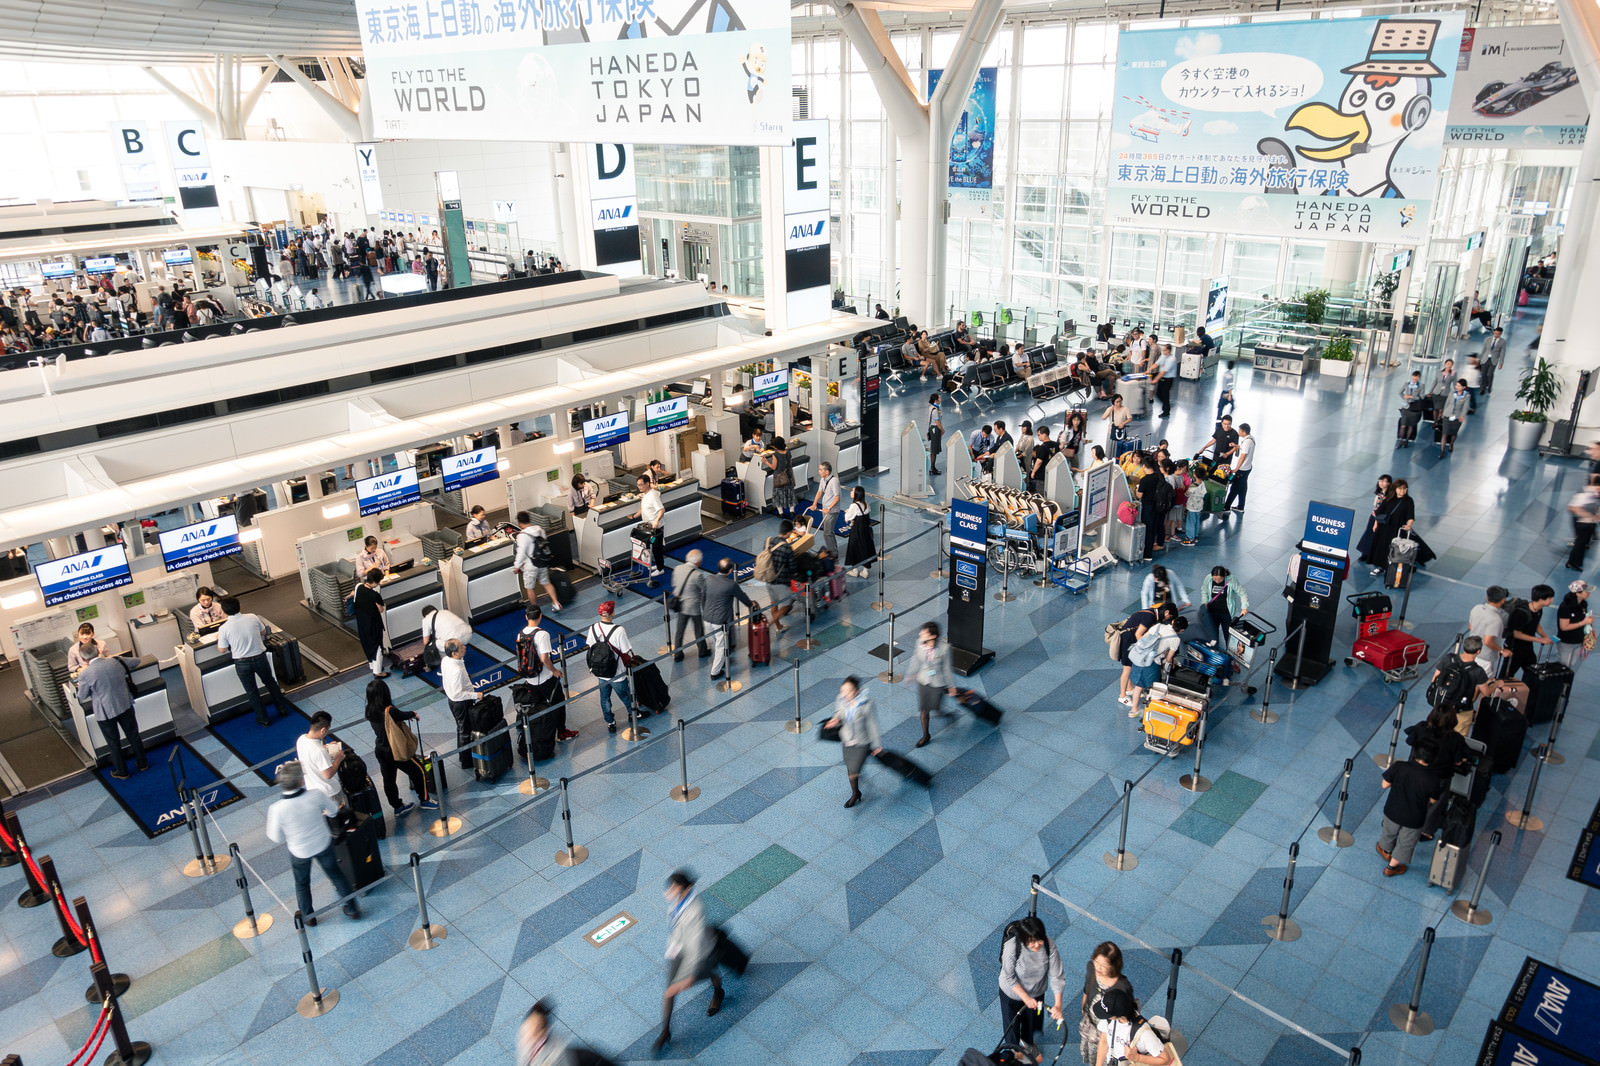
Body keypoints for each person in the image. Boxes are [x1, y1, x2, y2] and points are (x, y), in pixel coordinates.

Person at [264, 762, 362, 923]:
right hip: (323, 843)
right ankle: (352, 909)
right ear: (300, 781)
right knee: (336, 875)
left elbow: (276, 837)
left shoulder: (277, 809)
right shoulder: (316, 795)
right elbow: (333, 811)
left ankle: (308, 916)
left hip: (299, 851)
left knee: (302, 883)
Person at [654, 870, 726, 1052]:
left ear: (686, 889)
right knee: (669, 992)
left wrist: (687, 976)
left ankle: (719, 992)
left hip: (699, 954)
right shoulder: (675, 904)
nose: (670, 890)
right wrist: (673, 947)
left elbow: (694, 947)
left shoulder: (696, 909)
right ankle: (665, 1031)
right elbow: (676, 928)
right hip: (680, 951)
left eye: (674, 887)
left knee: (711, 973)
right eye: (670, 886)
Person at [74, 644, 148, 779]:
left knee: (114, 743)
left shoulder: (85, 674)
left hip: (105, 712)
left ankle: (122, 771)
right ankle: (143, 763)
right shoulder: (116, 661)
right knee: (133, 735)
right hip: (124, 704)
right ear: (98, 651)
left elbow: (82, 696)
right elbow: (136, 661)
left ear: (84, 659)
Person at [998, 915, 1066, 1059]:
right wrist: (1025, 998)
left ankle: (1028, 1044)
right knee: (1012, 1025)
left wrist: (1058, 1005)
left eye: (1039, 940)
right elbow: (1009, 976)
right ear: (1023, 939)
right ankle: (1014, 1052)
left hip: (1036, 992)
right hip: (1011, 993)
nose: (1037, 945)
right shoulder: (1012, 947)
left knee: (1031, 1022)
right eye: (1032, 942)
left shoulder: (1049, 946)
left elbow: (1056, 976)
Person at [363, 678, 433, 817]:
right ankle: (425, 800)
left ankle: (397, 806)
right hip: (395, 750)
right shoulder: (390, 710)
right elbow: (401, 715)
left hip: (381, 749)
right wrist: (413, 714)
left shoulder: (370, 710)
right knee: (418, 771)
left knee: (389, 780)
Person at [1376, 737, 1441, 878]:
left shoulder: (1399, 766)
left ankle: (1385, 851)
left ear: (1415, 753)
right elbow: (1433, 800)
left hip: (1393, 810)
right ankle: (1391, 868)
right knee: (1405, 844)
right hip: (1414, 818)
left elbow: (1384, 785)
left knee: (1388, 832)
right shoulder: (1433, 779)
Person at [217, 597, 287, 726]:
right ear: (239, 606)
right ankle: (282, 709)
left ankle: (263, 718)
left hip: (242, 663)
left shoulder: (224, 628)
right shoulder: (252, 617)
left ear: (224, 611)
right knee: (271, 683)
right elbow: (264, 631)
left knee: (252, 691)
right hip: (260, 657)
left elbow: (222, 650)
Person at [518, 604, 575, 742]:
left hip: (530, 679)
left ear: (526, 617)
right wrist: (554, 671)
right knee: (558, 703)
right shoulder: (542, 634)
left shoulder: (521, 634)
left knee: (539, 707)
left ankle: (543, 733)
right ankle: (561, 732)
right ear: (540, 616)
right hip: (545, 679)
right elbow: (544, 658)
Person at [824, 676, 881, 808]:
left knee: (853, 771)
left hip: (862, 742)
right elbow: (838, 712)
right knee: (850, 768)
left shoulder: (867, 704)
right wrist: (835, 719)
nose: (845, 694)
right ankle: (856, 790)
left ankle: (855, 794)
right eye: (843, 691)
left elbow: (872, 725)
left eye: (848, 691)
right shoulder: (840, 699)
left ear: (857, 691)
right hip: (847, 739)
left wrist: (877, 745)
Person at [1081, 943, 1136, 1066]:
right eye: (1096, 962)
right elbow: (1087, 987)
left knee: (1105, 1058)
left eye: (1103, 965)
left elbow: (1128, 1010)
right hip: (1091, 1022)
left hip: (1110, 1028)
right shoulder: (1091, 968)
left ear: (1113, 966)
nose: (1098, 968)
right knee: (1092, 1054)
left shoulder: (1122, 987)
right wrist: (1084, 1004)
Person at [586, 602, 636, 733]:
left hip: (600, 672)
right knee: (625, 695)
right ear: (612, 613)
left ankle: (610, 723)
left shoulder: (592, 628)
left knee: (604, 698)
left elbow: (590, 648)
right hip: (617, 672)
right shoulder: (619, 630)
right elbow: (626, 651)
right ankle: (633, 714)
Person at [1092, 988, 1174, 1066]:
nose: (1104, 1016)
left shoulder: (1144, 1033)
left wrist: (1137, 1057)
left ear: (1119, 1015)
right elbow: (1104, 1040)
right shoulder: (1109, 1019)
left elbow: (1165, 1059)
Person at [1115, 603, 1177, 704]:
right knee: (1127, 668)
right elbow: (1138, 634)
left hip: (1131, 640)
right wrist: (1146, 648)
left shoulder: (1152, 612)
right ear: (1166, 612)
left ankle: (1129, 688)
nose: (1167, 620)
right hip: (1128, 641)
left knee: (1130, 665)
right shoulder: (1150, 617)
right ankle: (1122, 696)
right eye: (1169, 617)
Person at [702, 558, 754, 681]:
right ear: (730, 571)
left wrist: (705, 610)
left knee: (715, 643)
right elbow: (742, 597)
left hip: (707, 617)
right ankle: (715, 672)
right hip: (721, 621)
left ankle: (721, 661)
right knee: (721, 645)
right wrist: (751, 605)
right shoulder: (731, 584)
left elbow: (703, 597)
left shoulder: (709, 579)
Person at [1127, 616, 1187, 715]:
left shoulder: (1158, 626)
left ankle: (1135, 709)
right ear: (1182, 630)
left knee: (1138, 685)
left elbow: (1143, 639)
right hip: (1152, 663)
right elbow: (1169, 658)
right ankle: (1147, 711)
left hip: (1140, 657)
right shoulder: (1175, 639)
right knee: (1154, 688)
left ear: (1172, 621)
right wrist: (1168, 667)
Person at [909, 621, 956, 749]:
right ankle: (926, 735)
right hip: (923, 681)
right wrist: (911, 673)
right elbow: (916, 659)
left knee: (936, 708)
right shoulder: (919, 643)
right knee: (924, 710)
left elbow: (946, 669)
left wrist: (951, 686)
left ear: (933, 636)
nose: (920, 634)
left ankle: (947, 714)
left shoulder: (944, 648)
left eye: (924, 633)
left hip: (937, 683)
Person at [439, 638, 481, 767]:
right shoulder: (456, 670)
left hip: (453, 700)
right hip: (460, 702)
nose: (464, 647)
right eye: (461, 647)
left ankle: (467, 756)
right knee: (464, 731)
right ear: (454, 653)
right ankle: (466, 760)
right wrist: (476, 695)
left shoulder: (446, 660)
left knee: (462, 728)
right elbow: (458, 693)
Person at [513, 511, 565, 611]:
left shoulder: (522, 535)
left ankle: (535, 609)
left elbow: (521, 552)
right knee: (546, 583)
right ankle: (555, 603)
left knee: (530, 588)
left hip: (530, 565)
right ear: (529, 519)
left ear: (519, 523)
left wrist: (517, 566)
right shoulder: (540, 529)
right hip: (542, 561)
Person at [1365, 478, 1415, 576]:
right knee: (1382, 547)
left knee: (1394, 549)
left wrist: (1409, 525)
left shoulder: (1408, 501)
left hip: (1397, 530)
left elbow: (1411, 515)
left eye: (1405, 489)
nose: (1402, 491)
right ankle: (1381, 567)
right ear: (1395, 489)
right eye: (1400, 488)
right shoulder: (1389, 498)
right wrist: (1376, 524)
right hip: (1384, 528)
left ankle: (1392, 568)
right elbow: (1380, 512)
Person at [296, 710, 347, 804]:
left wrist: (327, 747)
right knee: (339, 817)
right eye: (327, 730)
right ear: (323, 730)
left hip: (313, 790)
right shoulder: (319, 751)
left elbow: (311, 753)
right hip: (330, 793)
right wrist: (338, 759)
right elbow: (328, 774)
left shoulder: (301, 739)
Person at [1505, 584, 1556, 678]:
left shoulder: (1539, 610)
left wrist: (1544, 636)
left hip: (1527, 648)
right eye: (1549, 598)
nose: (1551, 600)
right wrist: (1539, 640)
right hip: (1514, 648)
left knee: (1532, 672)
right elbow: (1517, 634)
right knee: (1506, 675)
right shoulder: (1521, 613)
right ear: (1541, 599)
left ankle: (1529, 690)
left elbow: (1536, 624)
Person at [1193, 565, 1247, 649]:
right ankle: (1214, 649)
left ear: (1224, 575)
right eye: (1215, 579)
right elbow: (1204, 591)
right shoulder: (1208, 578)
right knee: (1213, 633)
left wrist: (1244, 607)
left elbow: (1242, 593)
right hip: (1212, 611)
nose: (1217, 581)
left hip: (1226, 613)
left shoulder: (1231, 580)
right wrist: (1204, 602)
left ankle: (1230, 651)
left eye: (1220, 579)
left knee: (1228, 634)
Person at [670, 550, 710, 662]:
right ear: (698, 562)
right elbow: (704, 589)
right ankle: (702, 651)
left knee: (680, 630)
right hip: (693, 606)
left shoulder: (677, 569)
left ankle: (677, 653)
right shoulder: (697, 575)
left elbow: (674, 584)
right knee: (698, 629)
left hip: (681, 604)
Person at [353, 568, 391, 679]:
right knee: (378, 647)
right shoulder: (374, 595)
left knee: (368, 645)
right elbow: (381, 609)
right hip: (373, 624)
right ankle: (378, 672)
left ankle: (373, 666)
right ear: (375, 581)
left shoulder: (358, 587)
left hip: (361, 623)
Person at [760, 521, 797, 632]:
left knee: (774, 602)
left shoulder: (768, 541)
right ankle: (769, 625)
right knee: (787, 605)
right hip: (779, 581)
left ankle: (778, 626)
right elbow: (792, 567)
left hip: (768, 577)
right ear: (788, 533)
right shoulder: (786, 547)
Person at [515, 1000, 573, 1066]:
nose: (533, 1031)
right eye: (531, 1024)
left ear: (546, 1029)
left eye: (539, 1028)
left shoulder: (557, 1049)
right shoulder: (524, 1030)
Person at [1468, 586, 1509, 678]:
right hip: (1485, 657)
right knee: (1481, 684)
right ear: (1503, 600)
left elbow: (1471, 627)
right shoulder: (1496, 619)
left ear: (1487, 597)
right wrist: (1502, 650)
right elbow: (1487, 641)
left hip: (1470, 651)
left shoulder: (1476, 608)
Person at [634, 474, 666, 584]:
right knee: (651, 547)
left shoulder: (653, 495)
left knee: (657, 548)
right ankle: (657, 565)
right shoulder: (645, 494)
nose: (639, 487)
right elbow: (643, 508)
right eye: (638, 485)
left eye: (641, 485)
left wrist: (656, 521)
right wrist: (634, 516)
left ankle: (660, 569)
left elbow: (661, 510)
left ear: (647, 484)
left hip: (655, 528)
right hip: (649, 527)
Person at [1135, 454, 1168, 562]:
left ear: (1144, 466)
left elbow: (1139, 495)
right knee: (1154, 528)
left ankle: (1147, 554)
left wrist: (1137, 490)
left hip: (1148, 507)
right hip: (1159, 506)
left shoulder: (1144, 480)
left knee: (1148, 530)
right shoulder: (1159, 476)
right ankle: (1153, 546)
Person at [1554, 581, 1593, 671]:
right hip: (1566, 642)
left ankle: (1566, 683)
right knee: (1563, 667)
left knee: (1572, 664)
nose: (1589, 593)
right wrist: (1583, 622)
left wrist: (1588, 624)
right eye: (1586, 591)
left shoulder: (1583, 604)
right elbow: (1564, 627)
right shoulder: (1566, 607)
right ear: (1577, 593)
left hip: (1578, 641)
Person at [1355, 476, 1395, 562]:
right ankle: (1365, 553)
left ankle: (1371, 555)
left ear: (1389, 483)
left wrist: (1376, 521)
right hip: (1374, 517)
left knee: (1376, 537)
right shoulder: (1379, 494)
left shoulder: (1389, 497)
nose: (1381, 482)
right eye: (1380, 480)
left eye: (1384, 481)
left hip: (1380, 519)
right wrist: (1371, 515)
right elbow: (1375, 507)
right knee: (1368, 534)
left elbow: (1383, 510)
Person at [420, 604, 472, 669]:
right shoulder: (445, 611)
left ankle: (447, 667)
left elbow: (426, 642)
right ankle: (458, 655)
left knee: (436, 644)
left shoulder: (426, 620)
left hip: (455, 641)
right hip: (468, 634)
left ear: (425, 615)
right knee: (449, 640)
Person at [1567, 473, 1600, 571]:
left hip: (1590, 522)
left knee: (1583, 542)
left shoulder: (1595, 494)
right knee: (1580, 543)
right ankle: (1572, 563)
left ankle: (1577, 561)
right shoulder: (1584, 494)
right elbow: (1573, 508)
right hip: (1582, 522)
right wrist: (1592, 516)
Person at [811, 461, 842, 556]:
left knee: (827, 533)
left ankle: (833, 553)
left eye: (821, 470)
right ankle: (833, 549)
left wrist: (829, 508)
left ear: (827, 472)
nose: (819, 471)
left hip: (832, 511)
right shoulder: (823, 479)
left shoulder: (834, 481)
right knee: (829, 532)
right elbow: (819, 492)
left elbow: (837, 497)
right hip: (825, 509)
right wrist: (814, 504)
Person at [843, 486, 876, 578]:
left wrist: (847, 512)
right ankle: (865, 571)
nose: (851, 492)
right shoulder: (866, 503)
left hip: (857, 530)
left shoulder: (854, 506)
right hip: (865, 530)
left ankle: (855, 570)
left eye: (852, 491)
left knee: (854, 548)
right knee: (865, 548)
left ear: (856, 494)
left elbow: (847, 517)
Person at [1223, 422, 1254, 514]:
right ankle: (1241, 506)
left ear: (1243, 432)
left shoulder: (1246, 442)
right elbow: (1245, 448)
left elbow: (1243, 456)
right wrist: (1236, 446)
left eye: (1239, 430)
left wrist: (1236, 469)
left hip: (1242, 469)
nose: (1238, 431)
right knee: (1243, 487)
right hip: (1248, 467)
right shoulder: (1251, 439)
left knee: (1234, 488)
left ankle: (1226, 506)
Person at [763, 436, 796, 518]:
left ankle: (781, 513)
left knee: (778, 495)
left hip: (779, 477)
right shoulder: (788, 452)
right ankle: (792, 511)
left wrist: (766, 462)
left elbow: (774, 467)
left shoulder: (776, 455)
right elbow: (790, 463)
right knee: (790, 493)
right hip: (788, 475)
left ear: (776, 446)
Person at [1439, 378, 1470, 456]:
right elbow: (1447, 403)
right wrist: (1443, 412)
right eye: (1456, 385)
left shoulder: (1466, 396)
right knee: (1444, 433)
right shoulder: (1452, 393)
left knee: (1454, 433)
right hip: (1448, 414)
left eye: (1459, 386)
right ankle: (1442, 450)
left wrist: (1462, 416)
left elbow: (1465, 407)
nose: (1457, 387)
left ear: (1464, 387)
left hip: (1457, 416)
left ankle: (1451, 444)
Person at [1030, 425, 1059, 493]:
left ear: (1045, 434)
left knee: (1040, 495)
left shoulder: (1042, 447)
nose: (1038, 437)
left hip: (1042, 476)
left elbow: (1039, 461)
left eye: (1039, 435)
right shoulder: (1056, 445)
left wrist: (1033, 472)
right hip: (1053, 474)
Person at [1152, 342, 1177, 419]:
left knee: (1165, 395)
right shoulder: (1163, 356)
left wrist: (1155, 379)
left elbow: (1163, 372)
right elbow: (1156, 364)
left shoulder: (1172, 359)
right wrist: (1148, 370)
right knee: (1158, 394)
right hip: (1162, 379)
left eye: (1165, 350)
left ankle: (1166, 411)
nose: (1163, 352)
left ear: (1169, 351)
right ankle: (1166, 406)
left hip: (1168, 379)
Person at [927, 395, 944, 477]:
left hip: (933, 428)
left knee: (934, 448)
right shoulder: (935, 410)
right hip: (935, 429)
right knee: (934, 449)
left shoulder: (933, 407)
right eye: (939, 398)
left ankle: (933, 467)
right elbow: (937, 423)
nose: (941, 399)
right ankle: (933, 468)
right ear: (936, 400)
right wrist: (942, 429)